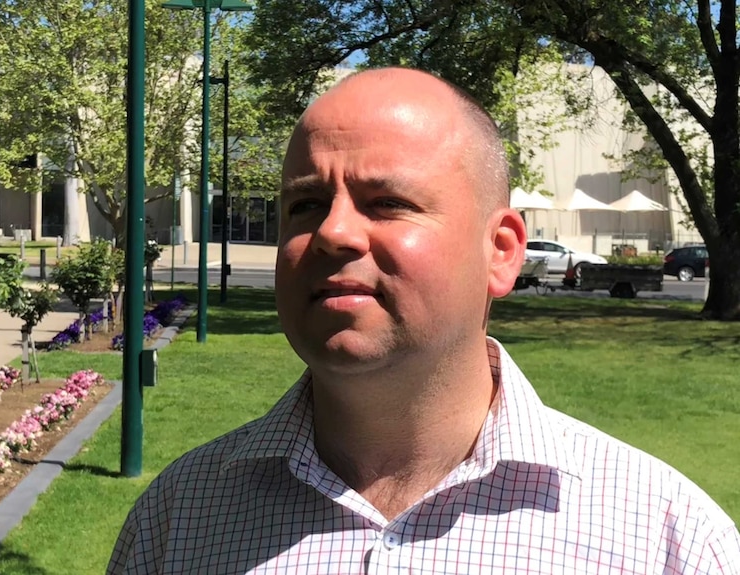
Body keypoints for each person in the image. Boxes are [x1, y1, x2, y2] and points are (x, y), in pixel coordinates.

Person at [108, 67, 740, 574]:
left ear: (500, 252)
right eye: (306, 204)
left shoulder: (666, 538)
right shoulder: (177, 519)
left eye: (388, 202)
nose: (331, 232)